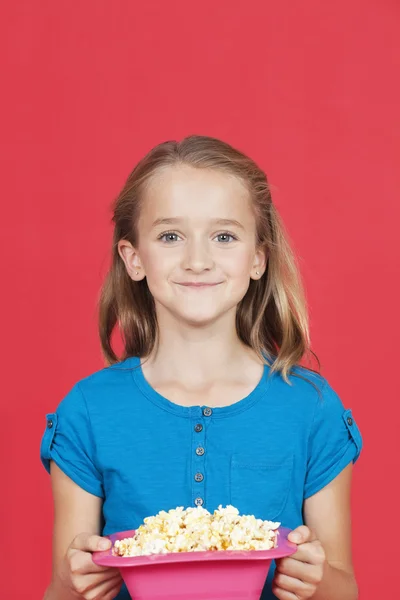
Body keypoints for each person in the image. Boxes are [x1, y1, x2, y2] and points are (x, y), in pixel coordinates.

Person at [41, 135, 362, 600]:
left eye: (224, 236)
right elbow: (60, 589)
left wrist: (317, 582)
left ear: (257, 259)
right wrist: (78, 584)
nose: (197, 260)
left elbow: (344, 588)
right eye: (170, 236)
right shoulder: (89, 411)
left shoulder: (310, 408)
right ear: (133, 259)